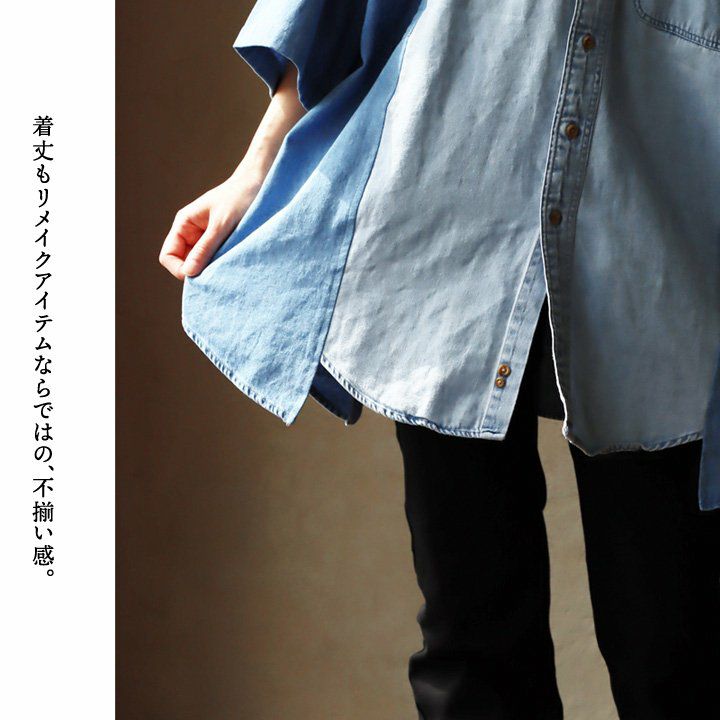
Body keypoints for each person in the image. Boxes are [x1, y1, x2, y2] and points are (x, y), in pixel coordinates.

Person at [159, 1, 720, 717]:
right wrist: (258, 168)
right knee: (471, 648)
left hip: (665, 233)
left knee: (678, 652)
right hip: (451, 209)